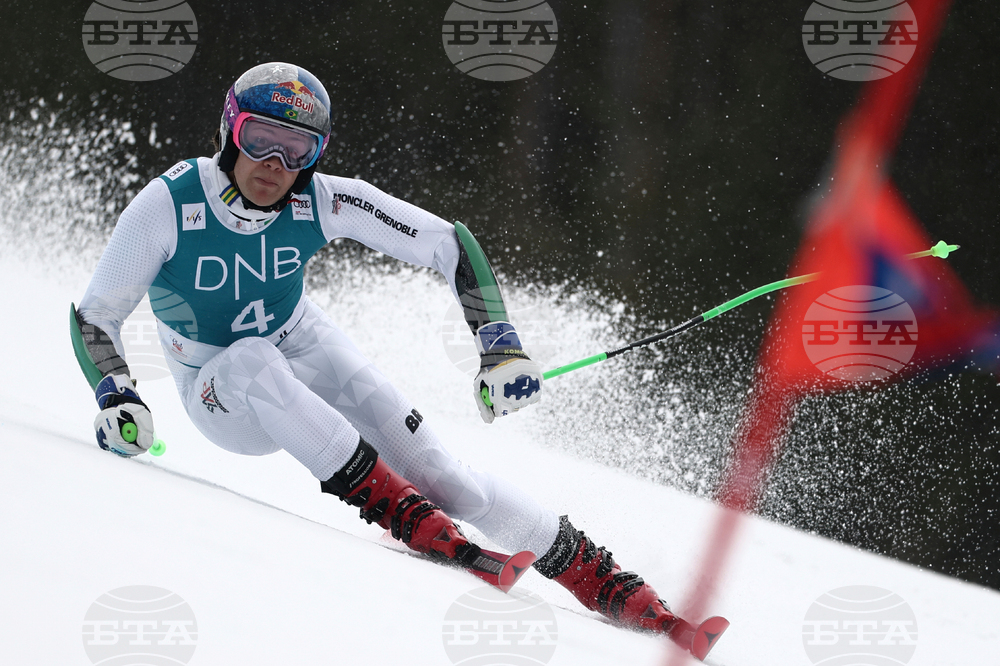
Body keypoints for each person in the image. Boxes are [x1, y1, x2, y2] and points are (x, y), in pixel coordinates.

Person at [71, 62, 708, 651]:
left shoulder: (321, 200)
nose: (274, 162)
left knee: (447, 477)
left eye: (297, 149)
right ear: (230, 131)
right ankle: (401, 513)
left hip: (301, 341)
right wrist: (117, 393)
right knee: (250, 360)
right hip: (217, 392)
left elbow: (448, 243)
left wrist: (499, 345)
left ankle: (611, 584)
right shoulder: (171, 203)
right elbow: (95, 314)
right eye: (260, 137)